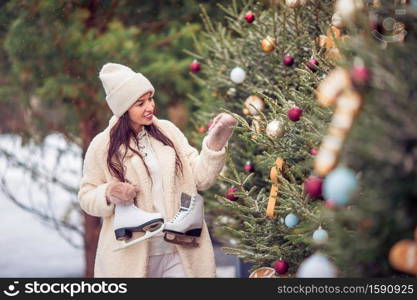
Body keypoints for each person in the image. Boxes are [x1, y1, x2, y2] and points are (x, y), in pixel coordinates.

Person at [77, 62, 237, 277]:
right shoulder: (102, 145)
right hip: (130, 257)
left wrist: (214, 145)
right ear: (124, 108)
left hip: (181, 248)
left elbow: (200, 179)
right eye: (140, 103)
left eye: (150, 98)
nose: (150, 107)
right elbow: (86, 196)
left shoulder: (168, 131)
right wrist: (109, 192)